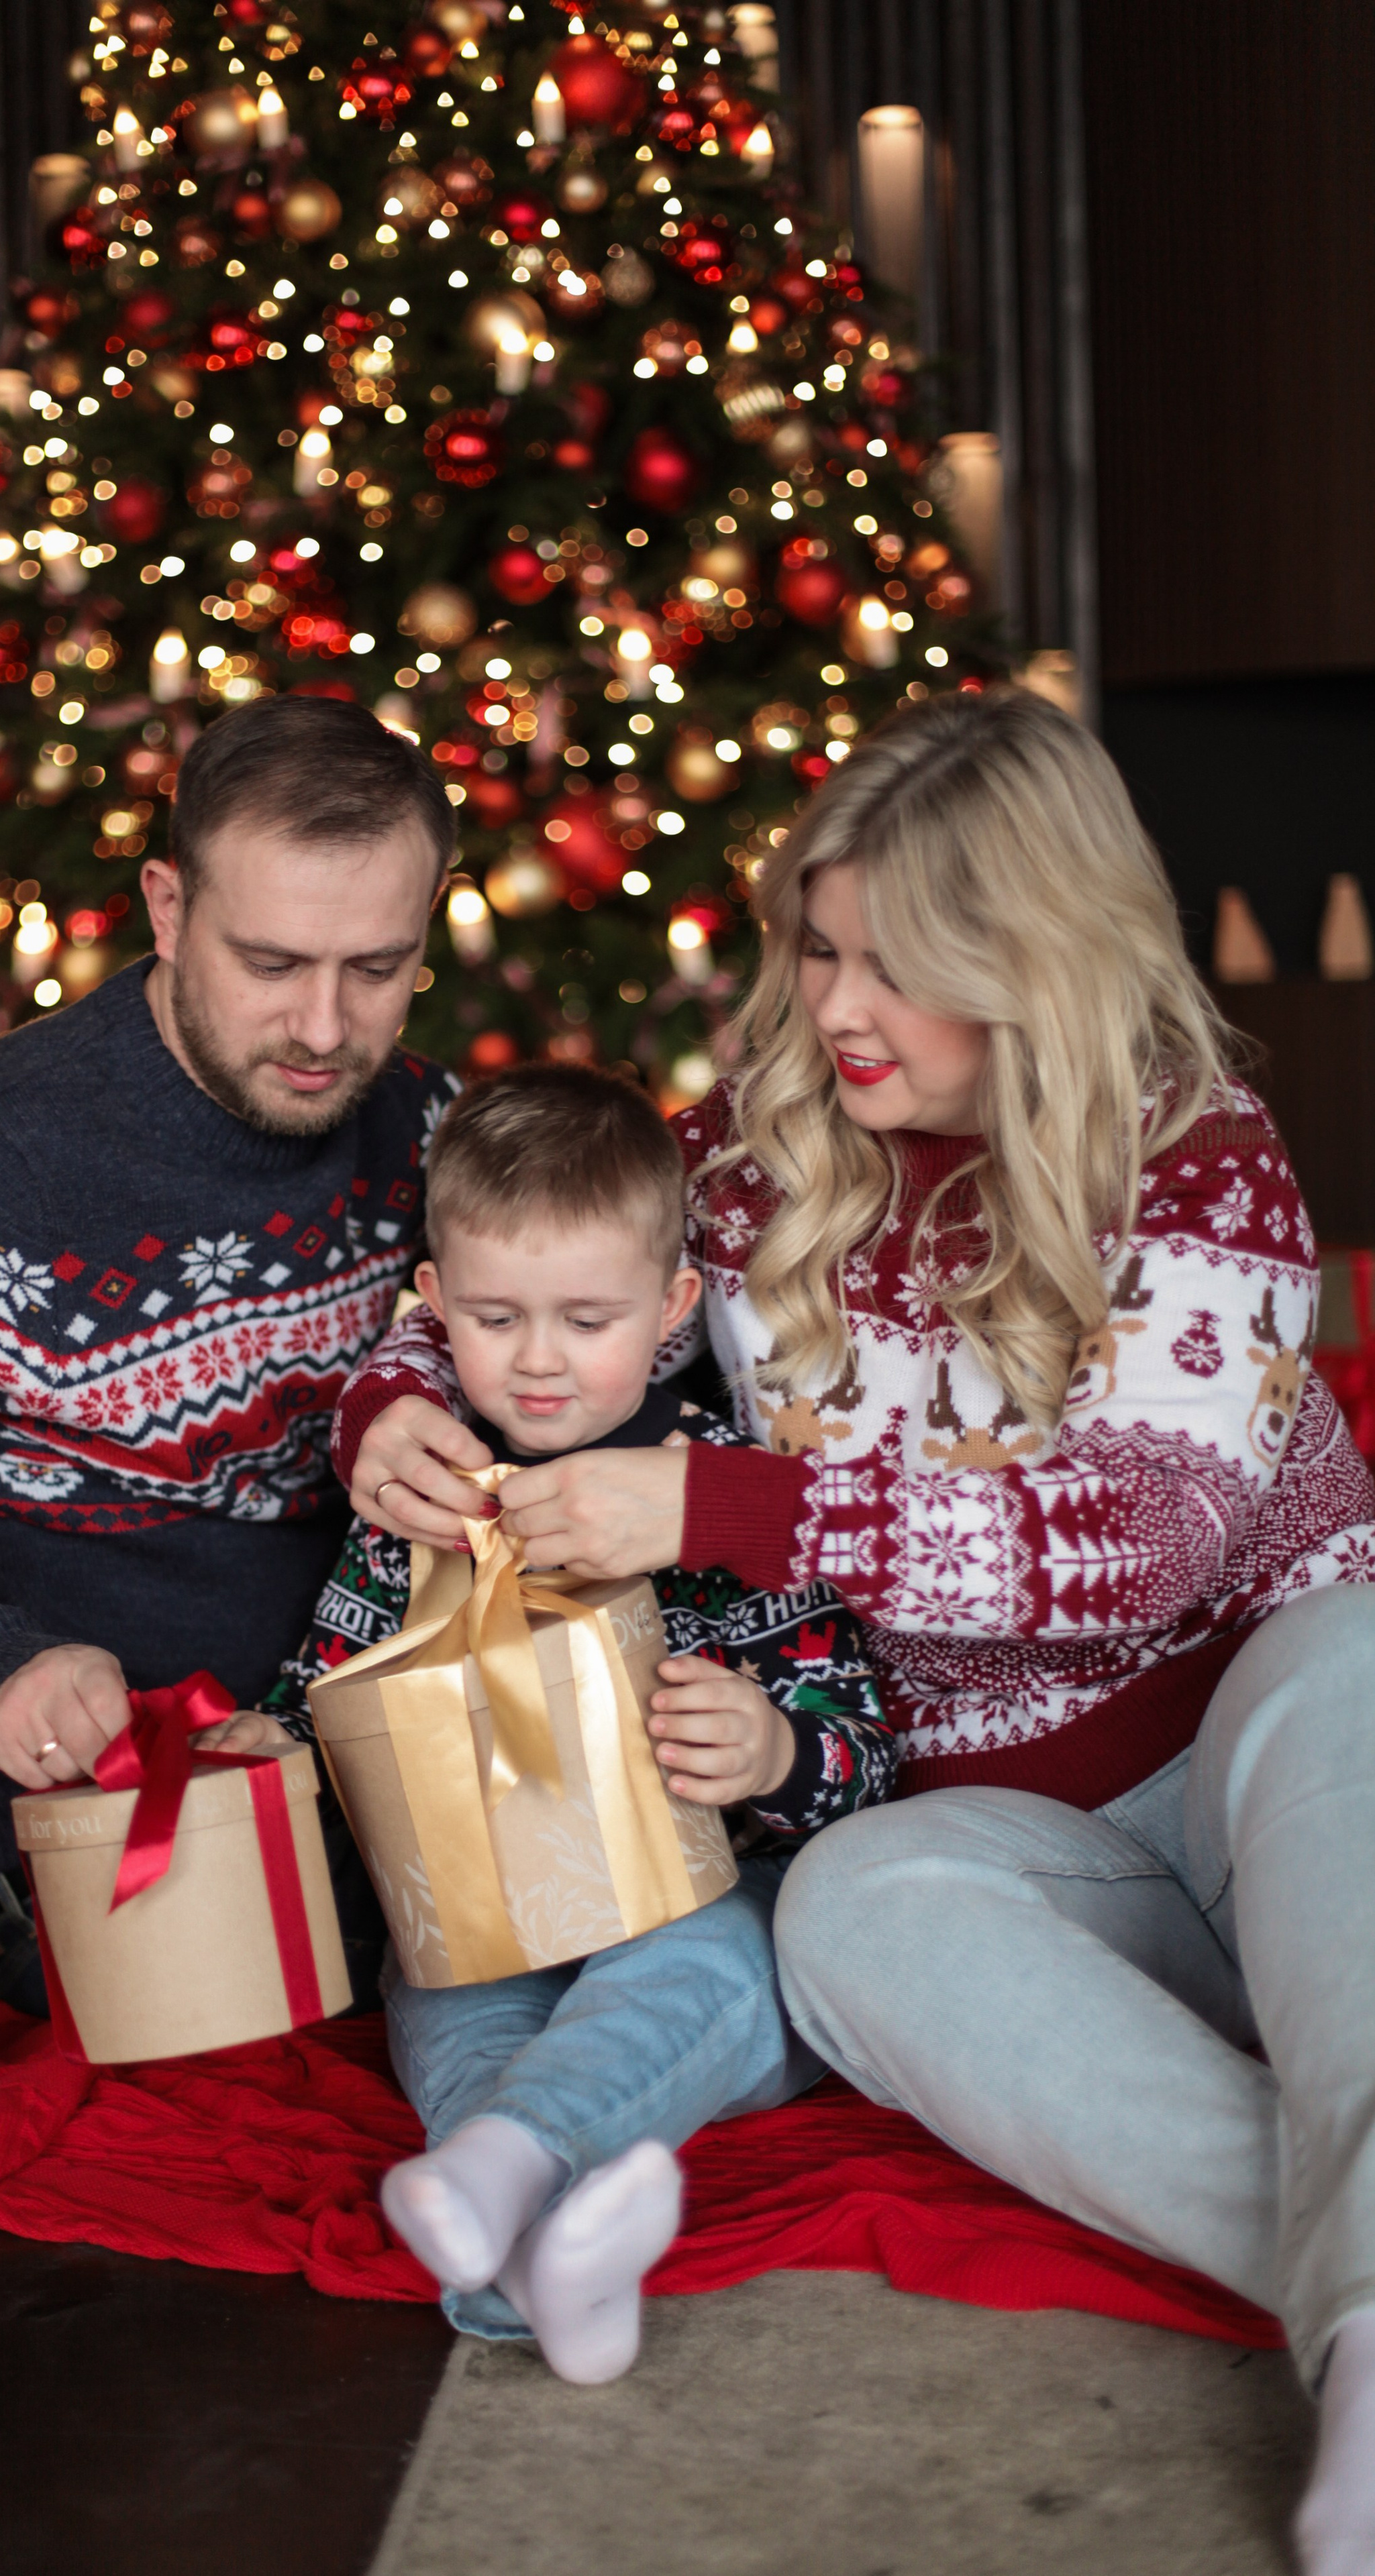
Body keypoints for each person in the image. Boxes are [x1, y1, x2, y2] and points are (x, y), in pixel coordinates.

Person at [334, 690, 1375, 2564]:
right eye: (818, 945)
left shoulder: (1200, 1153)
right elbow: (547, 1258)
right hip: (1005, 1840)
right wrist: (397, 1395)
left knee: (1359, 1662)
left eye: (903, 966)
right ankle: (1364, 2287)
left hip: (1265, 1761)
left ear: (1040, 961)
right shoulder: (755, 1149)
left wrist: (726, 1503)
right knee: (838, 1908)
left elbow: (1151, 1542)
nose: (835, 1008)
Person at [0, 694, 456, 2013]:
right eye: (272, 965)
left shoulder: (420, 1127)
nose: (328, 1029)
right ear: (167, 911)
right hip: (92, 1816)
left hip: (359, 1766)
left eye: (378, 968)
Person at [211, 1064, 894, 2382]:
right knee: (449, 2015)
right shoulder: (422, 1503)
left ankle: (507, 2183)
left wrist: (773, 1748)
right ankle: (536, 2244)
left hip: (695, 1896)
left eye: (586, 1319)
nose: (535, 1359)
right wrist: (279, 1745)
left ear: (672, 1310)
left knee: (718, 1970)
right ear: (431, 1307)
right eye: (492, 1316)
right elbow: (329, 1679)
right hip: (481, 1915)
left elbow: (858, 1738)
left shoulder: (723, 1502)